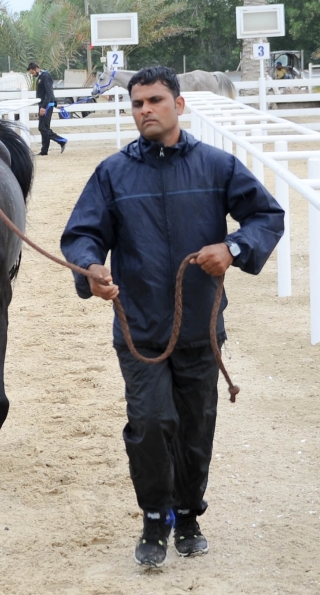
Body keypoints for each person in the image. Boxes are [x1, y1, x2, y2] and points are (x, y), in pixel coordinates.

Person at [60, 65, 286, 568]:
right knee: (148, 422)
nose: (145, 110)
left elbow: (267, 216)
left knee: (195, 423)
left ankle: (188, 513)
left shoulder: (217, 167)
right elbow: (82, 235)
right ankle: (155, 518)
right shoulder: (112, 173)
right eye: (138, 103)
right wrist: (92, 269)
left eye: (155, 101)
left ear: (178, 105)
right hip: (139, 327)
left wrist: (233, 246)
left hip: (200, 324)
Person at [27, 61, 68, 156]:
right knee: (44, 127)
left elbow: (49, 92)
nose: (32, 75)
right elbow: (50, 92)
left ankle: (61, 140)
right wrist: (55, 104)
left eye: (32, 73)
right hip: (47, 104)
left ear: (37, 69)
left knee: (42, 127)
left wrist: (44, 107)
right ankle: (44, 150)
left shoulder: (44, 76)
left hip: (46, 105)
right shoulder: (42, 77)